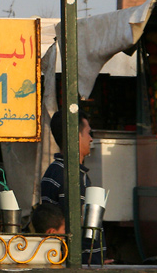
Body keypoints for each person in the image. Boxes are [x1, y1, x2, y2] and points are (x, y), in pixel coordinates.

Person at [40, 109, 104, 264]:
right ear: (75, 136)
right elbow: (77, 225)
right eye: (88, 133)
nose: (90, 139)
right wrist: (91, 260)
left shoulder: (54, 170)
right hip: (78, 261)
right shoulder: (72, 176)